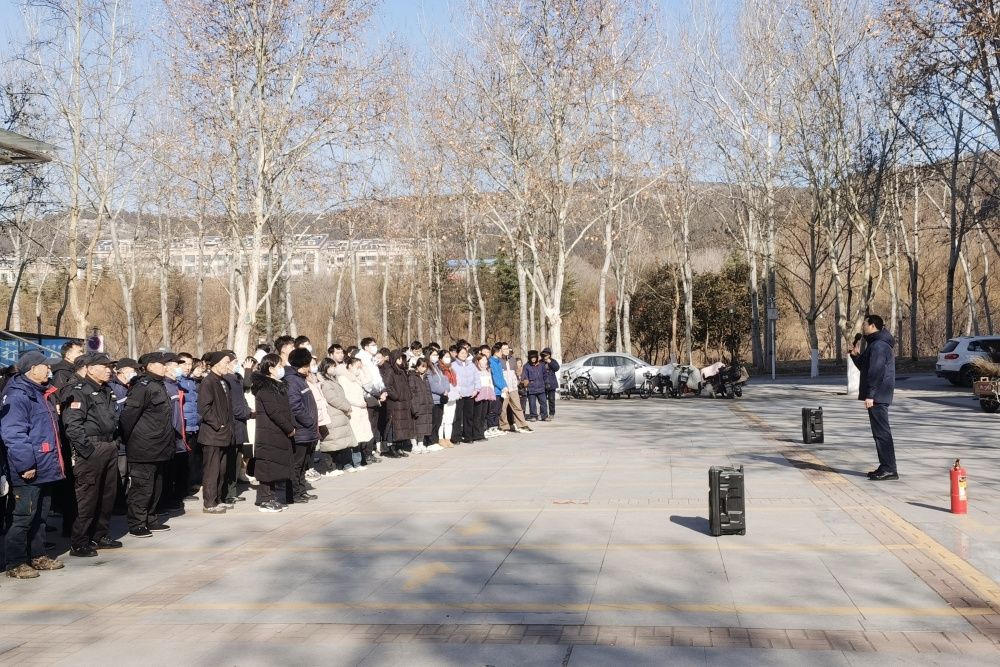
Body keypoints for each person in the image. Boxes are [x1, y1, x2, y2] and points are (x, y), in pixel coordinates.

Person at [1, 351, 65, 579]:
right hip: (28, 468)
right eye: (46, 366)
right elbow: (14, 433)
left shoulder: (40, 393)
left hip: (45, 465)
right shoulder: (18, 395)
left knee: (41, 516)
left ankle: (37, 555)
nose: (49, 370)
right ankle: (15, 562)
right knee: (22, 517)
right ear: (32, 369)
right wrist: (25, 464)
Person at [61, 353, 123, 557]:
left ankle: (100, 535)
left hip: (109, 445)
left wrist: (115, 443)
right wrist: (86, 450)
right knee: (87, 496)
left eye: (109, 366)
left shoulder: (106, 389)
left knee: (107, 495)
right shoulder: (79, 391)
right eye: (104, 366)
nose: (108, 370)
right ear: (90, 368)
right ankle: (79, 541)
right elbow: (72, 425)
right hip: (92, 447)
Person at [121, 352, 177, 537]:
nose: (165, 367)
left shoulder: (159, 385)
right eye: (162, 364)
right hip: (144, 447)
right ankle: (137, 523)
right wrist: (132, 440)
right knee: (142, 487)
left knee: (156, 486)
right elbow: (128, 417)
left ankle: (150, 519)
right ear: (151, 366)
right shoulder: (142, 387)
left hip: (160, 446)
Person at [850, 315, 898, 481]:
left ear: (872, 326)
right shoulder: (875, 344)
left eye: (865, 323)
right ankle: (885, 466)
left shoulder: (879, 346)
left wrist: (870, 395)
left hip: (878, 395)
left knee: (882, 433)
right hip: (879, 394)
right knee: (879, 433)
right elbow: (865, 367)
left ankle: (889, 469)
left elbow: (876, 372)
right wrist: (855, 355)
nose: (862, 326)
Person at [249, 354, 294, 512]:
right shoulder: (266, 388)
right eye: (279, 366)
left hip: (277, 433)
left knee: (274, 468)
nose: (282, 369)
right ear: (270, 368)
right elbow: (274, 411)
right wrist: (289, 428)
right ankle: (265, 500)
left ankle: (271, 498)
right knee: (267, 467)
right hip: (269, 434)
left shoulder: (277, 386)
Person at [197, 351, 236, 514]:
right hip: (212, 434)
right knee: (212, 471)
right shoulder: (208, 382)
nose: (229, 365)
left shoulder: (223, 381)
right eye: (226, 362)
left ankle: (218, 499)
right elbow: (204, 408)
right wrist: (218, 424)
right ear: (217, 363)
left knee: (221, 469)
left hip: (224, 434)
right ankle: (209, 503)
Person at [284, 348, 319, 503]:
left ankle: (301, 491)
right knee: (297, 464)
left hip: (307, 431)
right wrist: (309, 421)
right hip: (301, 430)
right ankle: (294, 494)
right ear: (302, 365)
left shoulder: (300, 379)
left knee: (303, 464)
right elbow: (295, 406)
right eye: (308, 365)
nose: (310, 369)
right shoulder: (292, 381)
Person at [317, 358, 358, 473]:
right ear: (325, 367)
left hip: (340, 414)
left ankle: (344, 464)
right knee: (332, 443)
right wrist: (346, 406)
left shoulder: (333, 380)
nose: (334, 369)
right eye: (331, 366)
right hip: (333, 414)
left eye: (334, 366)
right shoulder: (325, 383)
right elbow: (332, 398)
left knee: (342, 442)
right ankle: (330, 467)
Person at [223, 354, 253, 504]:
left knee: (236, 460)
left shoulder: (235, 378)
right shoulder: (228, 380)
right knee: (231, 461)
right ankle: (227, 493)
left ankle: (232, 492)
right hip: (234, 425)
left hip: (240, 425)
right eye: (234, 362)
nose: (236, 364)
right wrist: (248, 413)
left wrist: (248, 410)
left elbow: (243, 396)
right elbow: (235, 406)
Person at [340, 356, 375, 464]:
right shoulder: (344, 378)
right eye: (357, 366)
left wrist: (363, 367)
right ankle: (355, 461)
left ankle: (360, 459)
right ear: (350, 366)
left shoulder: (356, 378)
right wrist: (359, 404)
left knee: (362, 435)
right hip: (353, 409)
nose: (358, 369)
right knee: (355, 436)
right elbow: (346, 396)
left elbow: (369, 379)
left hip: (361, 409)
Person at [381, 348, 416, 455]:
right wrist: (396, 396)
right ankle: (391, 448)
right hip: (395, 404)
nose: (401, 360)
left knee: (402, 427)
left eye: (402, 358)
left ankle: (399, 447)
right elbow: (387, 386)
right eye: (399, 358)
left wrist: (408, 395)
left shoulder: (402, 371)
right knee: (394, 426)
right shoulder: (390, 371)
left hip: (404, 403)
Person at [176, 353, 202, 497]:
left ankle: (189, 486)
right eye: (184, 364)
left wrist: (198, 418)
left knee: (191, 459)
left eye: (190, 364)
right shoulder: (176, 381)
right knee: (181, 460)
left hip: (193, 425)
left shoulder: (191, 382)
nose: (188, 367)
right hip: (182, 426)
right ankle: (180, 490)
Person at [452, 346, 480, 444]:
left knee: (469, 416)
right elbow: (452, 380)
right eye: (462, 353)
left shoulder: (471, 365)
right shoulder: (453, 365)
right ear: (457, 354)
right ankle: (456, 437)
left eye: (465, 353)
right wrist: (456, 391)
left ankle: (468, 436)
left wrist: (476, 389)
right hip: (459, 395)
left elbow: (477, 377)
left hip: (470, 394)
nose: (464, 355)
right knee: (457, 416)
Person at [408, 357, 436, 453]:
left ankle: (421, 443)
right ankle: (414, 445)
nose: (424, 369)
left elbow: (428, 391)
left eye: (425, 367)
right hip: (417, 405)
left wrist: (431, 403)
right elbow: (411, 393)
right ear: (417, 366)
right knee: (415, 426)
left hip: (426, 405)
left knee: (423, 426)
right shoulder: (412, 377)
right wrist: (414, 406)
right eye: (422, 366)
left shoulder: (425, 377)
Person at [425, 349, 450, 448]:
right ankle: (430, 441)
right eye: (433, 355)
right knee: (433, 421)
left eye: (436, 355)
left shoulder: (437, 367)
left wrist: (446, 389)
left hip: (441, 398)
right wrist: (442, 391)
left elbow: (445, 379)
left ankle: (435, 440)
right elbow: (431, 384)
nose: (436, 357)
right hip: (433, 398)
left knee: (438, 420)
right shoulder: (427, 368)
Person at [437, 349, 460, 447]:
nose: (448, 358)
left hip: (453, 395)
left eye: (449, 357)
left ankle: (448, 438)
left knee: (450, 419)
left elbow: (456, 382)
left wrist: (458, 392)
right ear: (440, 358)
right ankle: (440, 438)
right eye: (445, 357)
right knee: (442, 419)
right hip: (444, 396)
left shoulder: (451, 368)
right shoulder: (439, 369)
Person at [473, 353, 495, 441]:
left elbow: (490, 383)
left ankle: (481, 433)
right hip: (479, 395)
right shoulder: (475, 371)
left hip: (486, 395)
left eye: (486, 360)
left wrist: (492, 393)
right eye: (482, 360)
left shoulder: (487, 370)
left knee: (483, 415)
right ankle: (476, 434)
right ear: (478, 361)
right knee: (477, 416)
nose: (485, 361)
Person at [521, 350, 548, 421]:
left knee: (543, 402)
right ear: (529, 358)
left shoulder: (541, 365)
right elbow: (524, 376)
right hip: (531, 388)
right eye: (532, 358)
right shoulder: (526, 366)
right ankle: (533, 416)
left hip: (541, 387)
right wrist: (526, 383)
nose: (533, 359)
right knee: (532, 403)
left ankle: (544, 416)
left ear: (536, 357)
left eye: (534, 357)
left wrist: (547, 382)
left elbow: (545, 374)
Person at [541, 347, 560, 420]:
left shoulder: (553, 361)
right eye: (543, 355)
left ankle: (551, 413)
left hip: (552, 383)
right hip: (543, 383)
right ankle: (543, 414)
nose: (545, 356)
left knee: (551, 399)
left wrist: (550, 362)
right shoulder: (541, 362)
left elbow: (557, 368)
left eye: (546, 355)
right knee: (542, 400)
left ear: (549, 355)